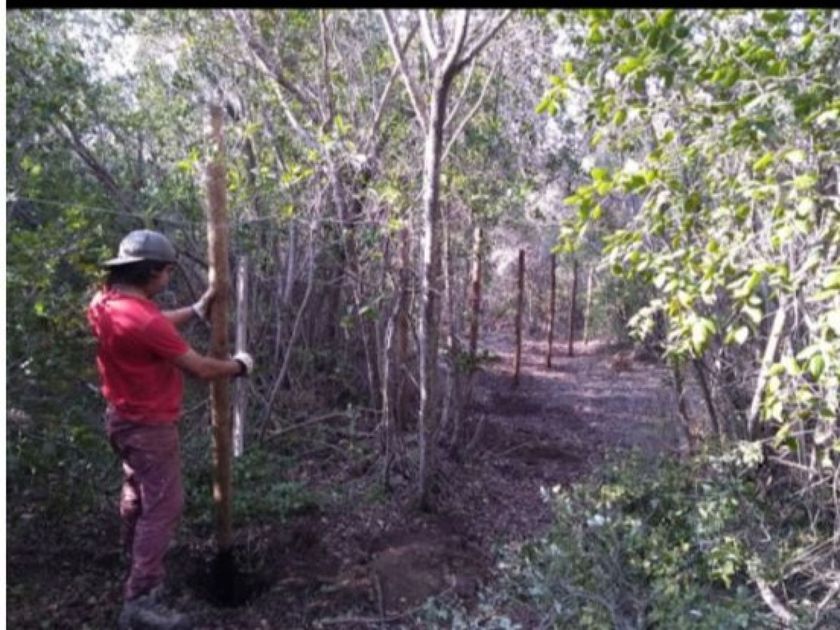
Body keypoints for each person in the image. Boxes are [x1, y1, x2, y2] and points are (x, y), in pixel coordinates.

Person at [87, 229, 254, 630]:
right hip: (149, 428)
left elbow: (152, 323)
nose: (168, 278)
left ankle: (133, 557)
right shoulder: (144, 321)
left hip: (121, 420)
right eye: (166, 272)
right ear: (151, 273)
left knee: (137, 493)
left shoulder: (103, 303)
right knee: (165, 505)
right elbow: (200, 368)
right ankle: (140, 598)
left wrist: (195, 310)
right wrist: (239, 366)